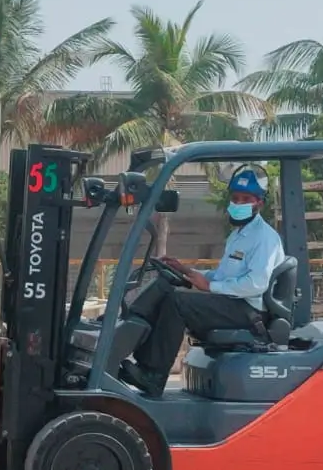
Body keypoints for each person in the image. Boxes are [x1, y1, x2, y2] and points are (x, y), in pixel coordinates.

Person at [120, 165, 285, 396]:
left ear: (259, 203)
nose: (238, 203)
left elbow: (256, 283)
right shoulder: (238, 235)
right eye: (235, 198)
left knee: (178, 302)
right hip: (234, 304)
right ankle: (127, 336)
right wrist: (187, 271)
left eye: (245, 199)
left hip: (249, 311)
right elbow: (223, 276)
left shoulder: (265, 238)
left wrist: (210, 286)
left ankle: (153, 376)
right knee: (165, 290)